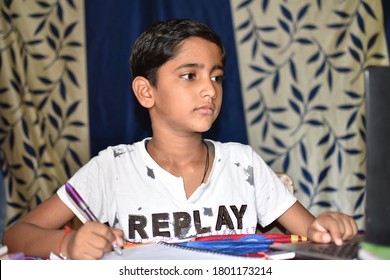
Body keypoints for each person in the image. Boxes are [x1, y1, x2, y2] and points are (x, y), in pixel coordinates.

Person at [2, 18, 358, 260]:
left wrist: (327, 226)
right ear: (146, 92)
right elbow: (16, 234)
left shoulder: (242, 163)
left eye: (216, 77)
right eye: (190, 75)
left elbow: (312, 233)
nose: (209, 89)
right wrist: (69, 242)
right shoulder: (112, 168)